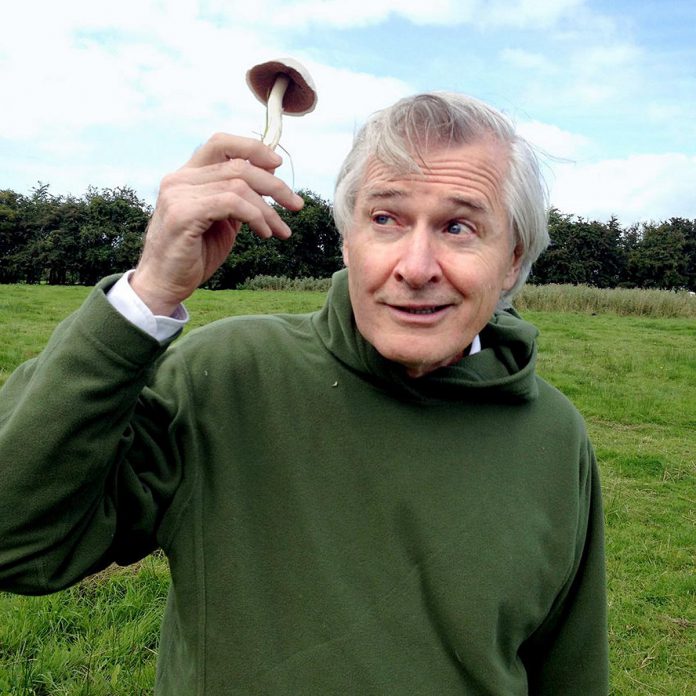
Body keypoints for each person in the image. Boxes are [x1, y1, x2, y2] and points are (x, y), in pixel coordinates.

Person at [0, 93, 608, 694]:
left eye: (458, 226)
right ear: (347, 240)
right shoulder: (227, 377)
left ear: (512, 259)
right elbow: (17, 539)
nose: (416, 266)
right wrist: (150, 289)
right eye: (385, 219)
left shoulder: (554, 435)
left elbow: (569, 670)